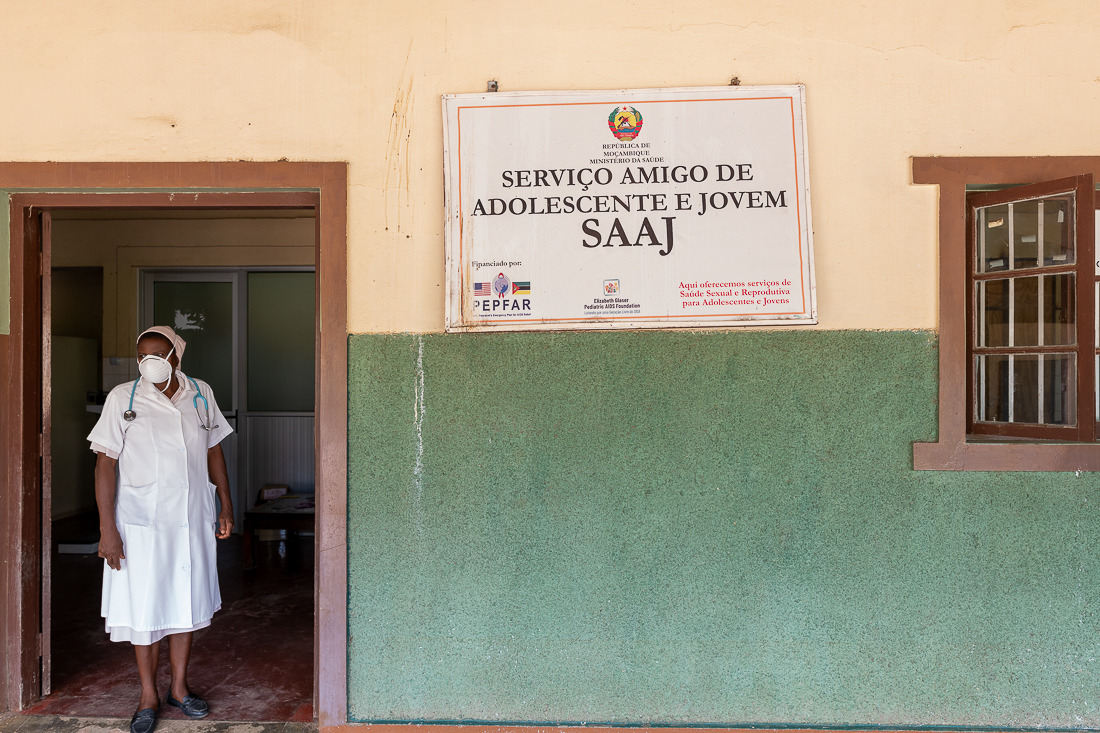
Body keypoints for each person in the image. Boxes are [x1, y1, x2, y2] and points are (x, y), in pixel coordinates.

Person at [87, 326, 234, 733]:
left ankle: (180, 689)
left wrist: (226, 502)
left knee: (183, 601)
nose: (149, 361)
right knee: (145, 607)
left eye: (158, 354)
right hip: (140, 522)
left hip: (190, 516)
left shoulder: (200, 393)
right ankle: (148, 695)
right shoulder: (123, 398)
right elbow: (104, 464)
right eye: (143, 355)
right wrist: (107, 529)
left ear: (176, 356)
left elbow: (214, 449)